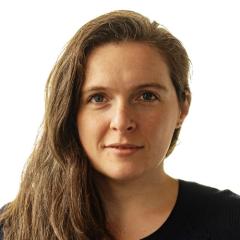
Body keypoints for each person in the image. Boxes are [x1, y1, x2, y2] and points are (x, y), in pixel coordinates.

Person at [0, 10, 240, 240]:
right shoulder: (12, 228)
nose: (122, 122)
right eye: (98, 98)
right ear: (70, 111)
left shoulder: (231, 222)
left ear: (182, 106)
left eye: (146, 96)